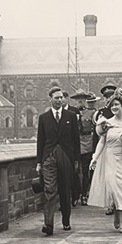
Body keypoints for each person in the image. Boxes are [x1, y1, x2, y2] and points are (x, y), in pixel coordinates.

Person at [87, 90, 122, 233]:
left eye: (116, 104)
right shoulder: (106, 123)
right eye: (112, 105)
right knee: (113, 189)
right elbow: (101, 142)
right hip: (110, 159)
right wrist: (95, 158)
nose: (114, 107)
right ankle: (117, 213)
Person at [36, 86, 80, 235]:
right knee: (50, 190)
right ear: (51, 99)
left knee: (65, 189)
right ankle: (48, 224)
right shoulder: (44, 118)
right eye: (57, 98)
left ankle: (66, 220)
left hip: (66, 156)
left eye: (61, 97)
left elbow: (76, 140)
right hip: (49, 157)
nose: (60, 100)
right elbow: (40, 141)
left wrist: (76, 161)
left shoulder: (70, 116)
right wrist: (39, 162)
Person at [92, 84, 117, 215]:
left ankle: (117, 201)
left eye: (111, 95)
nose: (109, 98)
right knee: (107, 176)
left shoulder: (119, 111)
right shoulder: (101, 113)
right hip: (105, 147)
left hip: (117, 147)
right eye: (106, 96)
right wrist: (95, 153)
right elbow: (97, 135)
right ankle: (110, 202)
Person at [78, 92, 99, 205]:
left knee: (86, 171)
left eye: (82, 99)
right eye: (79, 99)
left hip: (88, 144)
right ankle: (77, 194)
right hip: (76, 143)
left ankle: (85, 194)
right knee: (77, 172)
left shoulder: (93, 113)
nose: (80, 101)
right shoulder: (75, 112)